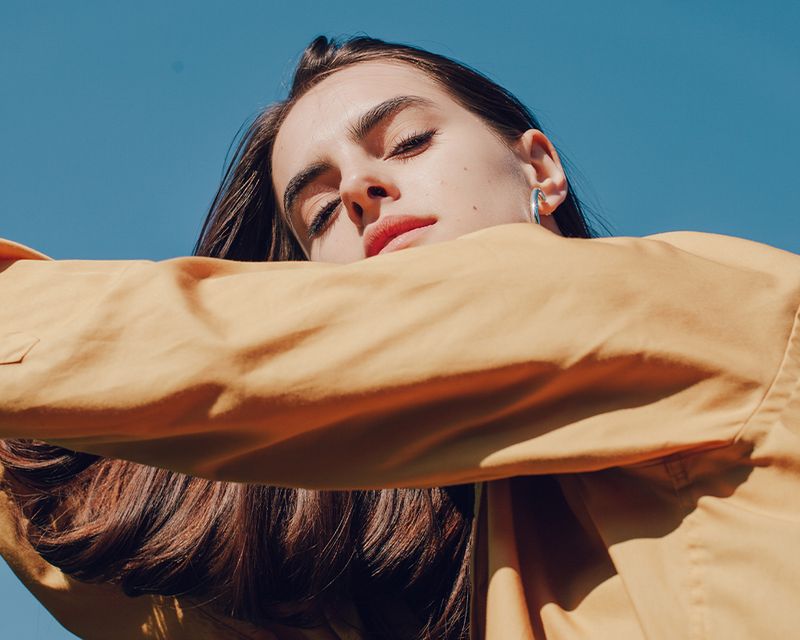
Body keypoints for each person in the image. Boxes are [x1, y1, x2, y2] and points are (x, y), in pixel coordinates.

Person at [1, 34, 799, 640]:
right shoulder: (400, 557)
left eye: (409, 144)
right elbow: (134, 586)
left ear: (541, 170)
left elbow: (229, 352)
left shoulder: (697, 302)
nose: (357, 189)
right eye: (316, 213)